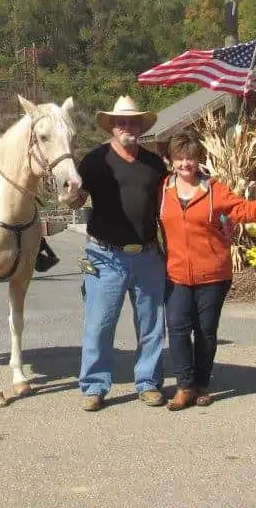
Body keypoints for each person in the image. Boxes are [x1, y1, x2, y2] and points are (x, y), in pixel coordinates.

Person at [158, 130, 256, 410]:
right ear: (171, 161)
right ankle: (184, 386)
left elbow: (243, 210)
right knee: (178, 329)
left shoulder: (214, 189)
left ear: (198, 160)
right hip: (176, 274)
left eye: (190, 158)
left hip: (213, 274)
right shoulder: (162, 190)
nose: (185, 165)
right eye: (180, 159)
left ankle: (202, 384)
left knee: (205, 331)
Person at [63, 96, 169, 412]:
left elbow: (168, 203)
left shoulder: (154, 164)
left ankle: (148, 383)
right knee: (99, 324)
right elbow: (77, 199)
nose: (127, 126)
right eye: (122, 122)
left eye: (133, 121)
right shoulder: (95, 161)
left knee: (151, 324)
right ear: (112, 126)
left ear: (140, 126)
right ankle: (95, 386)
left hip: (148, 255)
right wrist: (72, 197)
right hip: (104, 256)